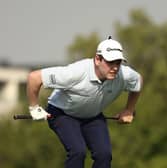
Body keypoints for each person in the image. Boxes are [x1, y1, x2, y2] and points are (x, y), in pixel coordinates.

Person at [27, 36, 143, 168]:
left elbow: (138, 82)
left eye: (118, 62)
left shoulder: (124, 75)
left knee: (104, 155)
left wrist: (129, 110)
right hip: (62, 113)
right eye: (110, 62)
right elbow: (34, 78)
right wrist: (34, 107)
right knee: (78, 151)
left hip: (92, 116)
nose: (115, 67)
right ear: (98, 59)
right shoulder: (75, 72)